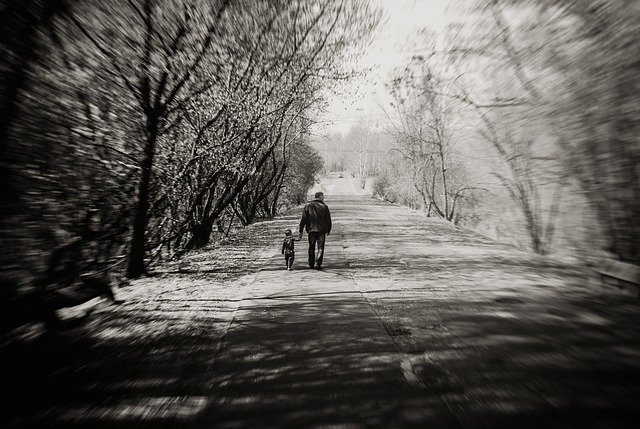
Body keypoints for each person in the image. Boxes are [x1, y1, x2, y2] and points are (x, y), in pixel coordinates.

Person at [298, 191, 332, 269]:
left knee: (311, 246)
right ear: (320, 197)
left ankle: (311, 263)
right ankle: (318, 264)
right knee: (320, 247)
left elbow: (304, 219)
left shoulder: (308, 205)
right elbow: (328, 219)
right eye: (323, 197)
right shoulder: (324, 206)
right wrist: (328, 229)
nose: (323, 198)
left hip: (311, 229)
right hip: (321, 230)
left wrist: (301, 230)